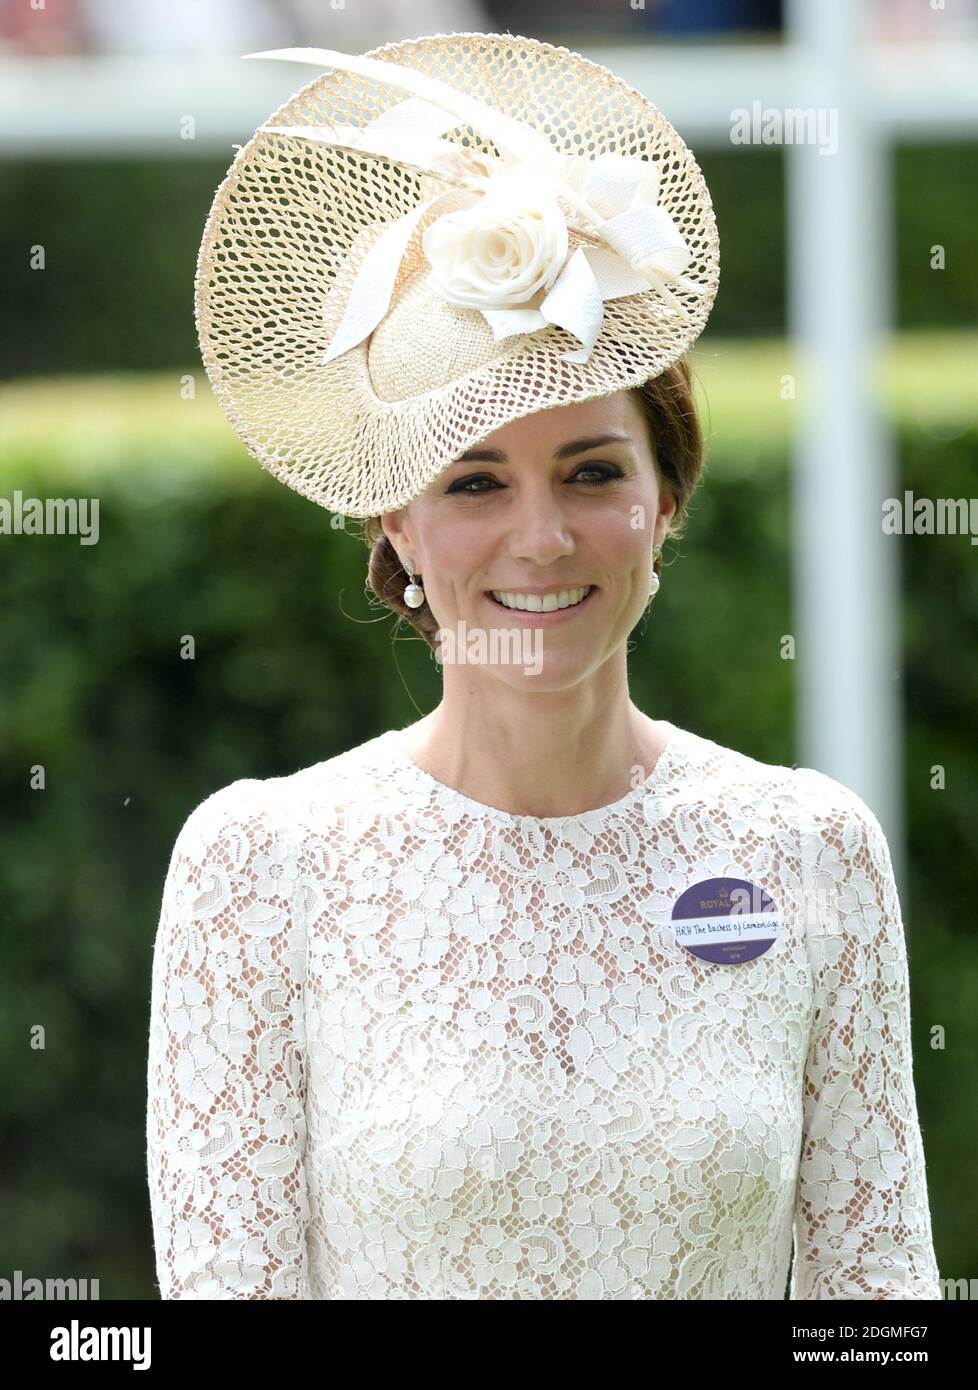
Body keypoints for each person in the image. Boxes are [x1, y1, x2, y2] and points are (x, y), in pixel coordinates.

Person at [146, 31, 940, 1299]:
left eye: (592, 472)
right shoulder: (259, 869)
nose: (542, 536)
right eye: (474, 482)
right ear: (397, 524)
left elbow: (879, 1297)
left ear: (667, 497)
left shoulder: (810, 848)